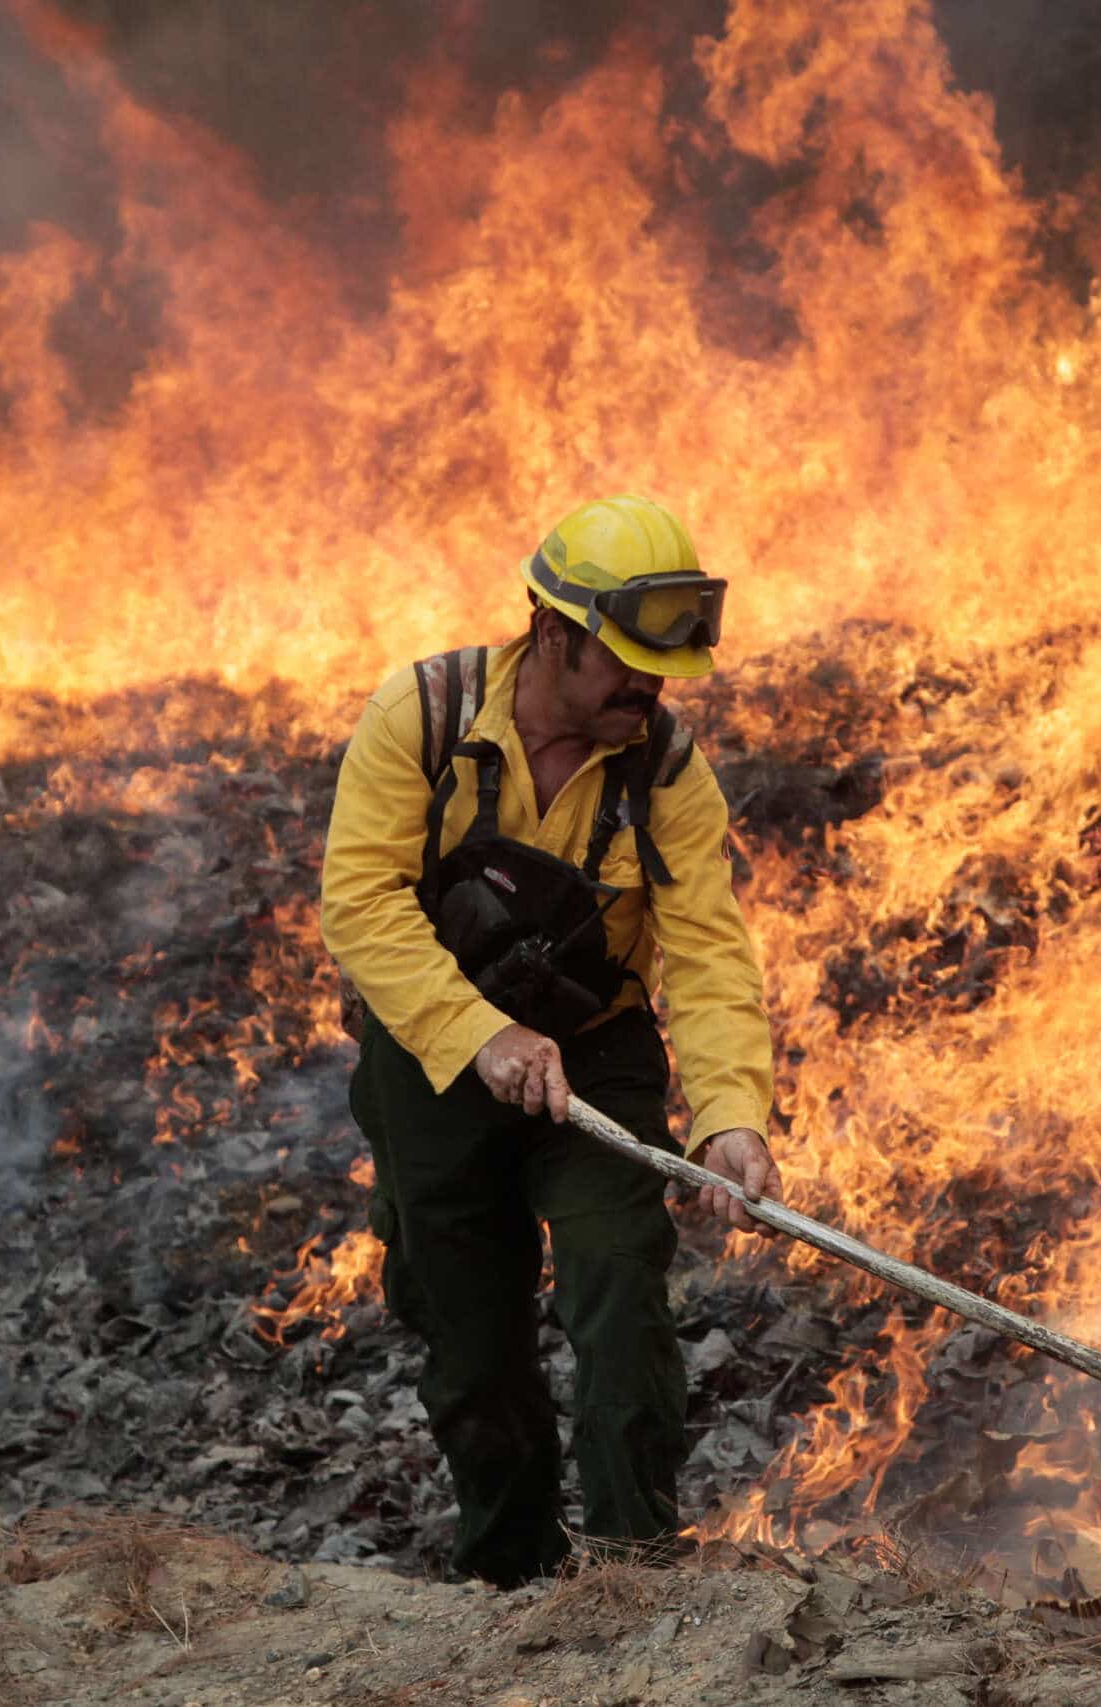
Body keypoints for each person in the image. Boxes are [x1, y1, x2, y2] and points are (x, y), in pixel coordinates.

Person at [320, 494, 781, 1588]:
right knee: (471, 1341)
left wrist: (729, 1117)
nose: (648, 689)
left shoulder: (666, 771)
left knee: (619, 1287)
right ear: (552, 633)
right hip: (434, 1058)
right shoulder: (421, 717)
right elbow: (361, 902)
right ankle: (507, 1581)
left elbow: (708, 953)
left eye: (663, 668)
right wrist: (480, 1034)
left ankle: (632, 1575)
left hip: (596, 1056)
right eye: (625, 662)